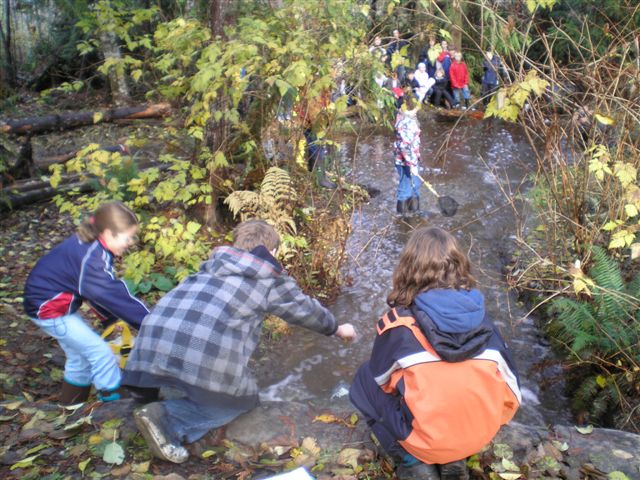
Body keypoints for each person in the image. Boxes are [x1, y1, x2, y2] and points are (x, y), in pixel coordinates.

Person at [123, 220, 357, 463]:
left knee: (193, 370)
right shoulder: (268, 276)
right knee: (241, 402)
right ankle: (169, 420)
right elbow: (305, 310)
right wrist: (338, 329)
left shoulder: (210, 266)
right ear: (273, 251)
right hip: (195, 357)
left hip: (146, 356)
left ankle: (148, 402)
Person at [349, 227, 521, 480]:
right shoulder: (486, 324)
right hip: (477, 438)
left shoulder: (397, 325)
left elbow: (383, 383)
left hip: (425, 441)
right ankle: (455, 456)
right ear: (460, 267)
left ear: (408, 268)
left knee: (364, 378)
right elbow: (512, 394)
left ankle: (411, 462)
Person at [23, 201, 149, 405]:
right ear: (108, 233)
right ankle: (113, 403)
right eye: (128, 237)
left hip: (47, 303)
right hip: (48, 309)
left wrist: (109, 320)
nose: (131, 242)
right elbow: (111, 295)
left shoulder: (94, 246)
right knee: (100, 352)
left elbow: (91, 290)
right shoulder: (92, 259)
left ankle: (70, 408)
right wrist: (150, 324)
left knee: (79, 358)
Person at [393, 92, 422, 217]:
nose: (417, 110)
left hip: (412, 160)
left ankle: (415, 212)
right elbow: (405, 146)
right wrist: (412, 165)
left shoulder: (410, 119)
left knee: (415, 185)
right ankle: (402, 219)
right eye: (416, 108)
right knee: (405, 188)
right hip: (406, 162)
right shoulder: (406, 123)